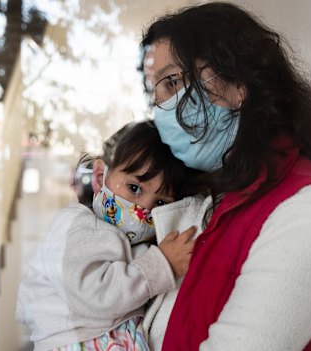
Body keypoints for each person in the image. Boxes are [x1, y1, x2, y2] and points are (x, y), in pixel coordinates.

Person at [139, 2, 311, 350]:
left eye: (172, 82)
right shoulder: (212, 203)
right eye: (156, 93)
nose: (162, 110)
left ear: (238, 83)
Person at [16, 121, 200, 351]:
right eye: (134, 188)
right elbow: (95, 295)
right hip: (76, 341)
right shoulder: (76, 226)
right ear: (101, 176)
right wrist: (162, 266)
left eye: (160, 203)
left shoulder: (134, 243)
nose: (143, 209)